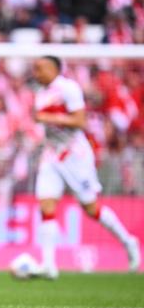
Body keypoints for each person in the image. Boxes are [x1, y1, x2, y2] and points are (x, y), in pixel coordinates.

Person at [32, 56, 140, 279]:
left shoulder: (68, 88)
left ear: (53, 69)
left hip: (75, 153)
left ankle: (128, 241)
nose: (36, 73)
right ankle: (49, 265)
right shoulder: (40, 93)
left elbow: (80, 122)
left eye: (40, 69)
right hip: (52, 153)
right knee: (46, 204)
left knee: (91, 208)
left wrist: (50, 117)